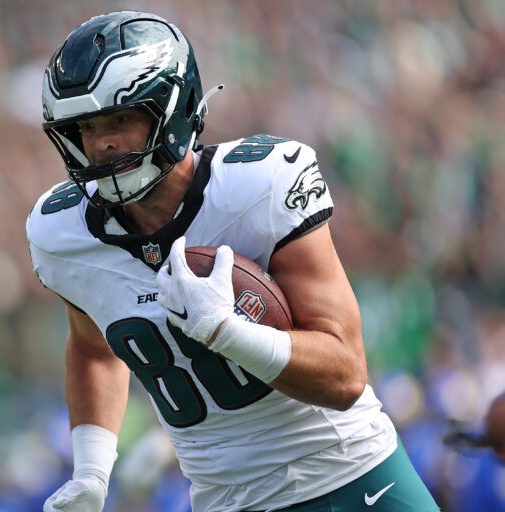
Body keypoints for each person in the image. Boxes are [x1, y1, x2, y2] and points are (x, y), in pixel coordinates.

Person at [26, 11, 439, 512]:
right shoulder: (62, 233)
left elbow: (346, 376)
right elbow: (93, 348)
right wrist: (91, 470)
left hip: (349, 477)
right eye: (86, 127)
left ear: (170, 110)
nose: (102, 143)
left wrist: (228, 332)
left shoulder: (258, 187)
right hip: (225, 502)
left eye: (120, 120)